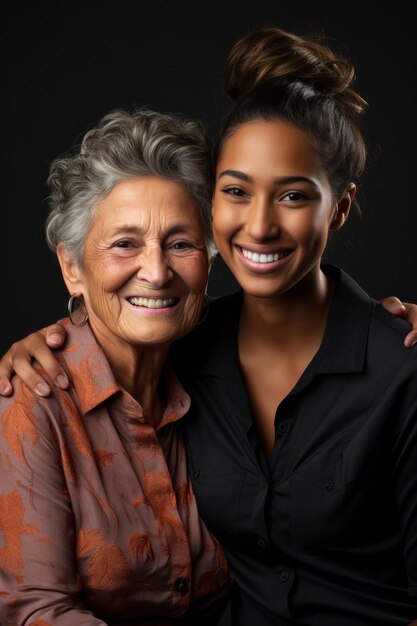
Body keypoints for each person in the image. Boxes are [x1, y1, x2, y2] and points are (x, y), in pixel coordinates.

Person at [1, 25, 417, 626]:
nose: (259, 226)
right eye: (235, 191)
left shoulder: (393, 365)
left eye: (295, 196)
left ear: (341, 207)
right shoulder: (151, 362)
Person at [0, 108, 232, 625]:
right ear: (71, 267)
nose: (156, 270)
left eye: (181, 243)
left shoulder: (222, 373)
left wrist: (395, 324)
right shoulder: (31, 402)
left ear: (210, 262)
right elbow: (35, 611)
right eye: (125, 244)